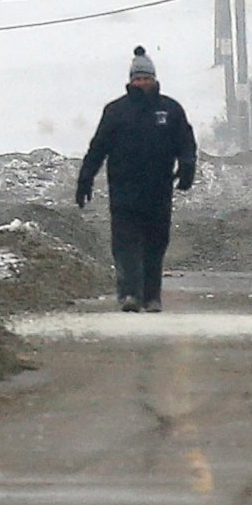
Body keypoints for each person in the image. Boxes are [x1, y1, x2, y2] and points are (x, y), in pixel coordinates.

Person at [75, 47, 196, 312]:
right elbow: (98, 148)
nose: (141, 83)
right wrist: (85, 178)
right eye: (137, 79)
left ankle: (152, 297)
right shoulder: (116, 111)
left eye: (146, 78)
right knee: (126, 243)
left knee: (155, 243)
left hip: (158, 190)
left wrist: (187, 166)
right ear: (130, 81)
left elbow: (186, 142)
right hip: (124, 190)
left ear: (154, 79)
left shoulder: (170, 110)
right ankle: (129, 294)